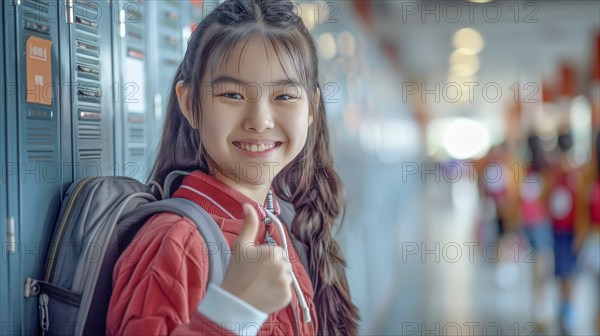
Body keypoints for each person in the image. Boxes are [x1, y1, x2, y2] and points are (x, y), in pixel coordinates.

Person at [106, 0, 359, 334]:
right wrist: (232, 310)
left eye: (284, 96)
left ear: (311, 109)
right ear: (190, 104)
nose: (260, 121)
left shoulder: (279, 228)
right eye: (232, 94)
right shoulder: (176, 242)